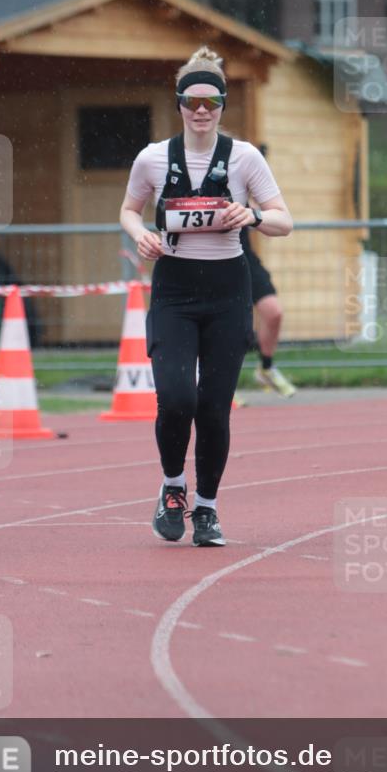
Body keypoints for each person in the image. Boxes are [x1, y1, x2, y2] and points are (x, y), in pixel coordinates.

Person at [120, 46, 292, 545]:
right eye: (192, 101)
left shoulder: (244, 157)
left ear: (223, 104)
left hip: (226, 290)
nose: (201, 111)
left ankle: (208, 508)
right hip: (174, 290)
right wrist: (140, 234)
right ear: (178, 103)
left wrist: (253, 216)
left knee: (214, 407)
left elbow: (285, 219)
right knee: (175, 399)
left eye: (211, 102)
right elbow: (130, 209)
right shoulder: (154, 158)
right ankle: (174, 485)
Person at [240, 224, 296, 397]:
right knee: (225, 325)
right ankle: (215, 384)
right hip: (209, 262)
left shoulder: (245, 196)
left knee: (274, 312)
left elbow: (275, 217)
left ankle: (266, 368)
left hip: (244, 258)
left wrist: (261, 218)